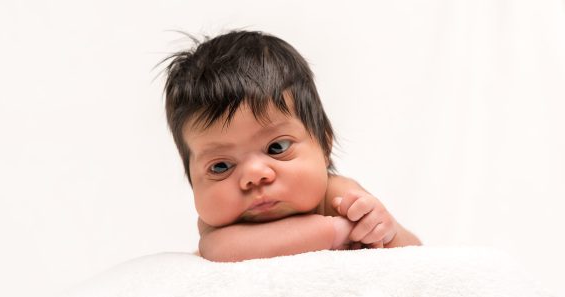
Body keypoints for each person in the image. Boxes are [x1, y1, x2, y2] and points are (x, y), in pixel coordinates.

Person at [162, 30, 421, 262]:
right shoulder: (218, 225)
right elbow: (220, 250)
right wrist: (336, 231)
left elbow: (419, 256)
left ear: (324, 144)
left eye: (277, 148)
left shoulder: (339, 197)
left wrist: (388, 231)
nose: (254, 175)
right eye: (220, 166)